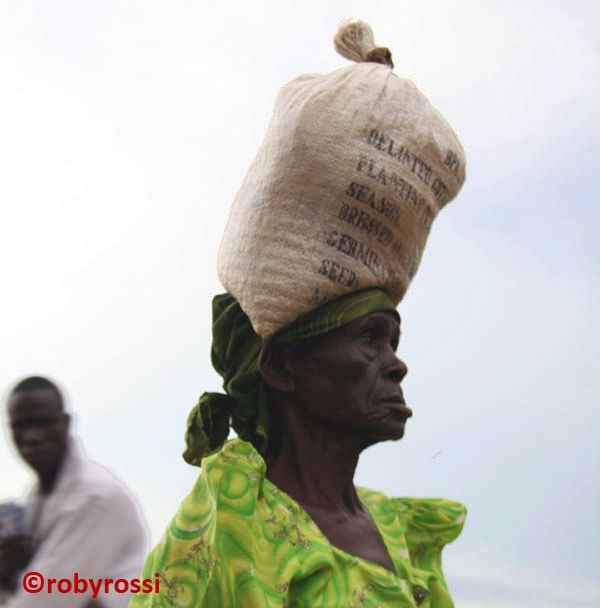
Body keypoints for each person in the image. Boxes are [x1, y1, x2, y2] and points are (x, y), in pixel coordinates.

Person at [131, 18, 468, 608]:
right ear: (283, 367)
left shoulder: (399, 533)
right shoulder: (231, 526)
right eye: (370, 339)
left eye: (392, 342)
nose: (396, 367)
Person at [0, 376, 148, 608]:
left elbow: (43, 602)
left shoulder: (93, 497)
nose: (32, 437)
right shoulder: (38, 497)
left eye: (44, 423)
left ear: (66, 423)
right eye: (21, 426)